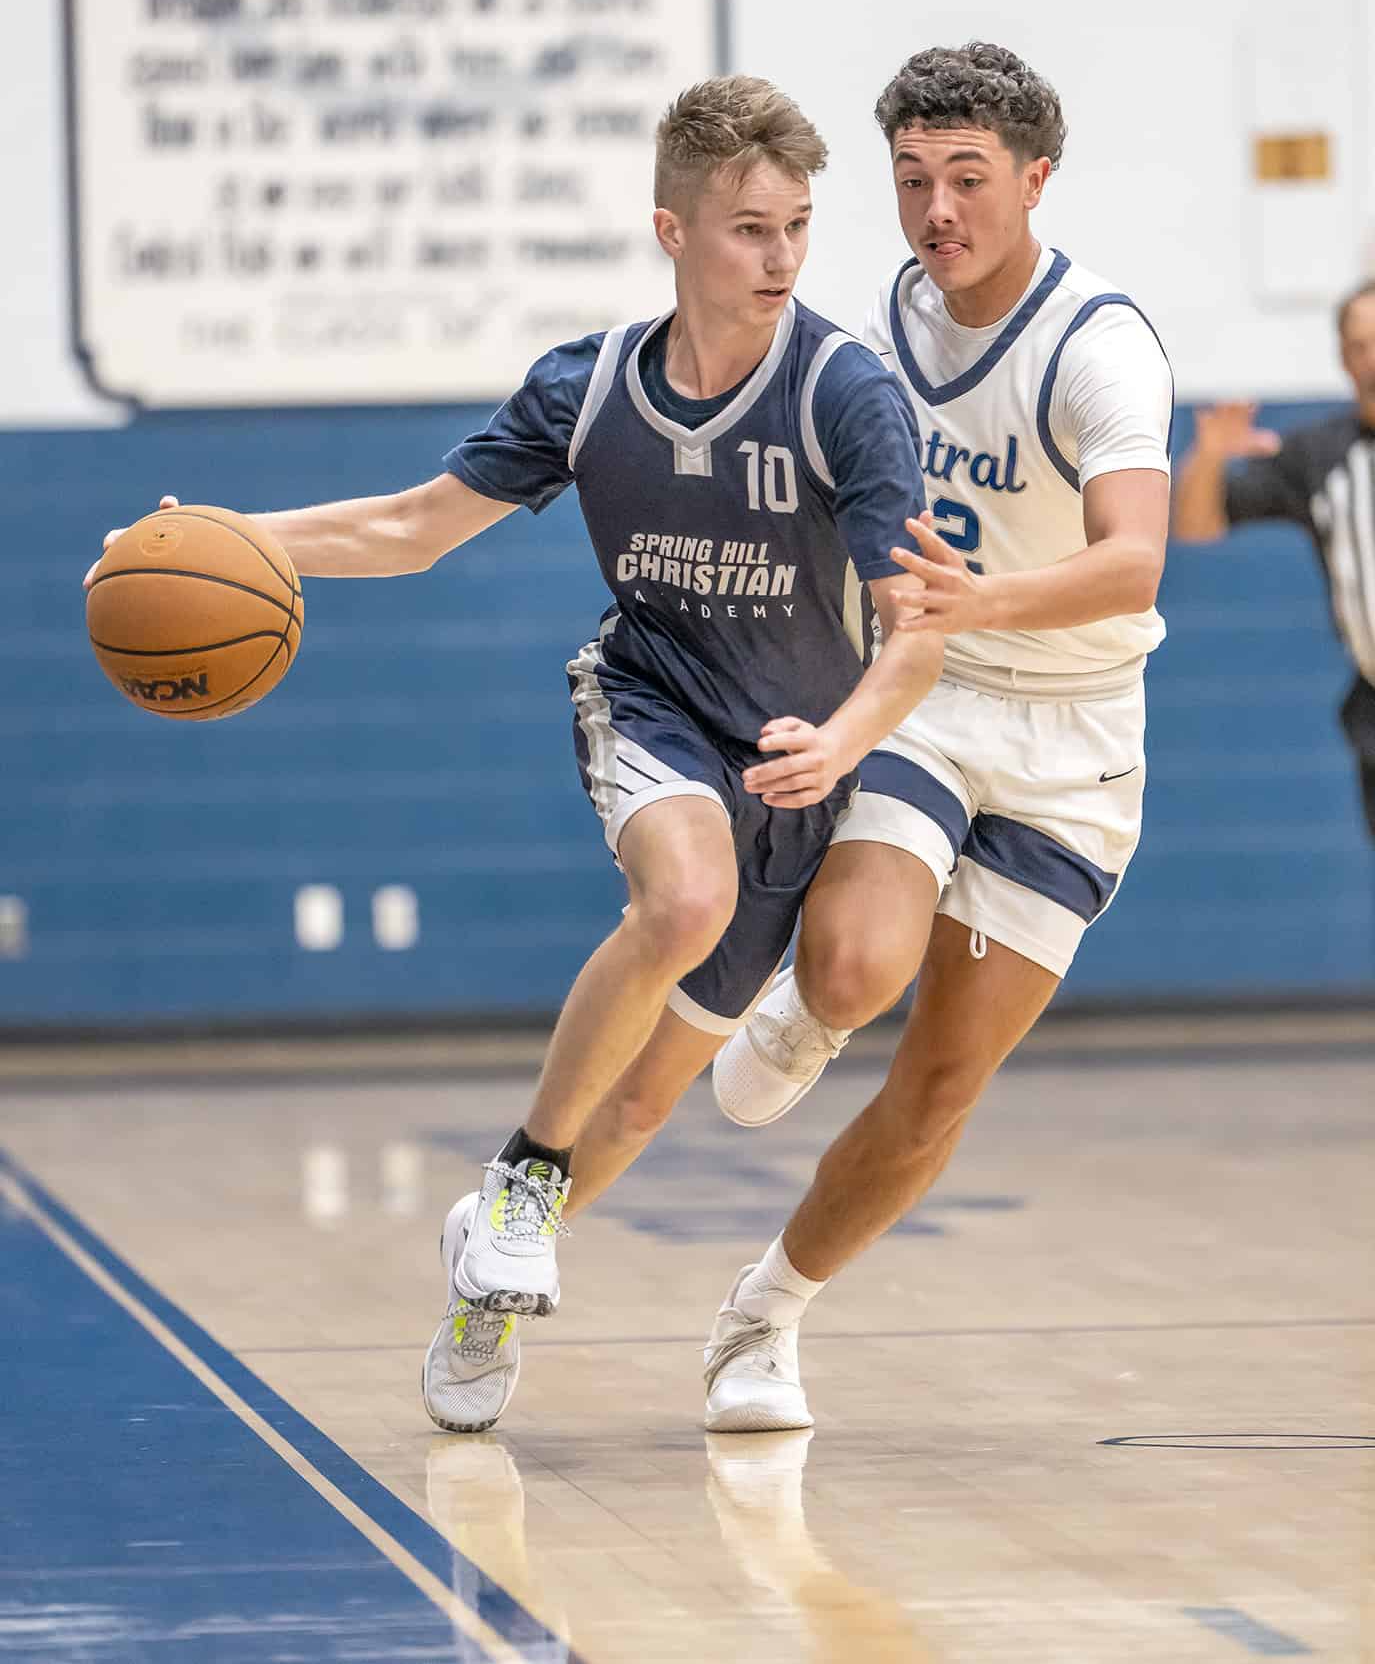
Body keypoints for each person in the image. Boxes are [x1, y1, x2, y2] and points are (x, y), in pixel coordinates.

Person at [94, 77, 948, 1432]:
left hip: (800, 753)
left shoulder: (845, 395)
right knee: (680, 896)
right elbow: (412, 524)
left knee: (634, 1109)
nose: (778, 257)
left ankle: (491, 1256)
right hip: (656, 698)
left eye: (793, 227)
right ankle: (514, 1210)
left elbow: (916, 628)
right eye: (745, 229)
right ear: (670, 230)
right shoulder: (590, 383)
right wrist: (224, 540)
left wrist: (843, 737)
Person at [688, 42, 1174, 1431]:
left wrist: (988, 595)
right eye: (911, 180)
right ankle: (810, 997)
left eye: (966, 178)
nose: (936, 208)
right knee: (849, 966)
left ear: (1033, 178)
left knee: (940, 1084)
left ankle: (760, 1315)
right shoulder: (865, 343)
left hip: (1075, 726)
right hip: (931, 684)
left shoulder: (1097, 346)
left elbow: (1131, 559)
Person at [1171, 282, 1375, 839]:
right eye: (1359, 345)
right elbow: (1196, 524)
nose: (1371, 358)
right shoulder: (1322, 455)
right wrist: (1209, 455)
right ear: (1342, 359)